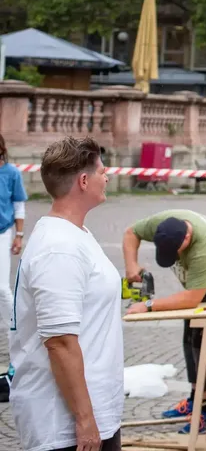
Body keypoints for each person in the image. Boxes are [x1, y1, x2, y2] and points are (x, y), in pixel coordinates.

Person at [10, 137, 123, 451]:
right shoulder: (59, 248)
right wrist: (85, 419)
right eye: (102, 171)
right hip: (62, 425)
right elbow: (60, 342)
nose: (108, 177)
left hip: (96, 411)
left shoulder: (76, 233)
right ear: (83, 181)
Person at [123, 210, 206, 433]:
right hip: (202, 282)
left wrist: (149, 305)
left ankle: (205, 411)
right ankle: (194, 399)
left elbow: (192, 299)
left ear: (187, 239)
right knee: (189, 333)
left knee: (203, 338)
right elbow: (131, 232)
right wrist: (131, 265)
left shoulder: (205, 250)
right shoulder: (162, 223)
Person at [0, 132, 28, 351]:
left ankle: (15, 332)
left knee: (1, 288)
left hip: (3, 232)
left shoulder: (11, 173)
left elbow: (18, 205)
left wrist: (19, 235)